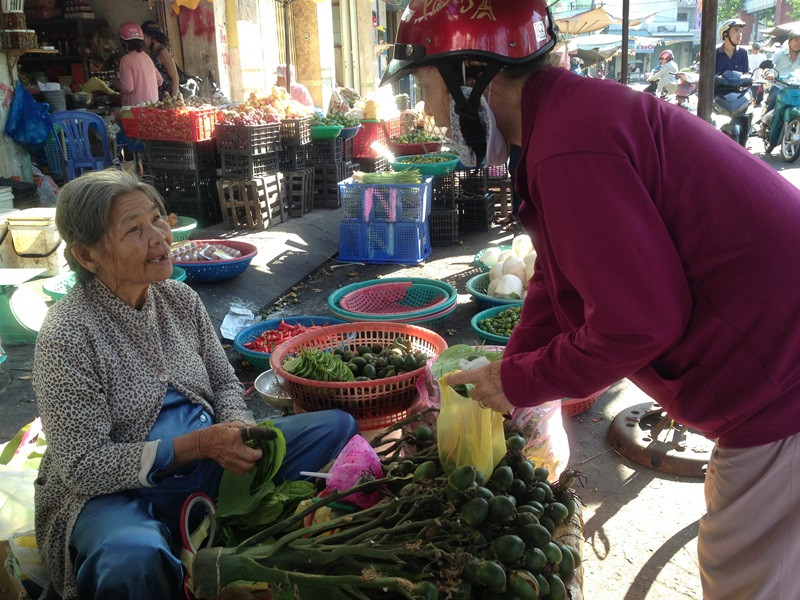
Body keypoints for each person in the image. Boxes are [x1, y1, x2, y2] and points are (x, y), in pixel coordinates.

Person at [380, 2, 800, 599]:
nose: (428, 111)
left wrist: (520, 381)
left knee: (744, 572)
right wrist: (510, 374)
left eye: (426, 88)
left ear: (471, 75)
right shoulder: (563, 121)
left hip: (782, 381)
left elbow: (640, 323)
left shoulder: (569, 146)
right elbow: (558, 282)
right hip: (773, 366)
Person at [32, 169, 360, 600]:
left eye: (156, 219)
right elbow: (83, 467)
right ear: (87, 255)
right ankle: (169, 547)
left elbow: (224, 382)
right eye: (134, 230)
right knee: (130, 558)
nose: (159, 237)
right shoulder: (68, 335)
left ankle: (205, 531)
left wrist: (239, 429)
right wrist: (198, 445)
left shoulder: (179, 299)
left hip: (209, 465)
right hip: (119, 493)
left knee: (335, 428)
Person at [115, 22, 162, 106]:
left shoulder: (126, 60)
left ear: (124, 43)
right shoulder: (147, 57)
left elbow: (127, 88)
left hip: (136, 109)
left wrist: (115, 83)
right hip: (153, 107)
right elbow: (159, 80)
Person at [141, 20, 180, 99]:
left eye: (143, 36)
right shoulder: (153, 52)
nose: (142, 40)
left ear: (152, 37)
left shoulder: (162, 53)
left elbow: (175, 78)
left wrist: (173, 100)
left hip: (167, 98)